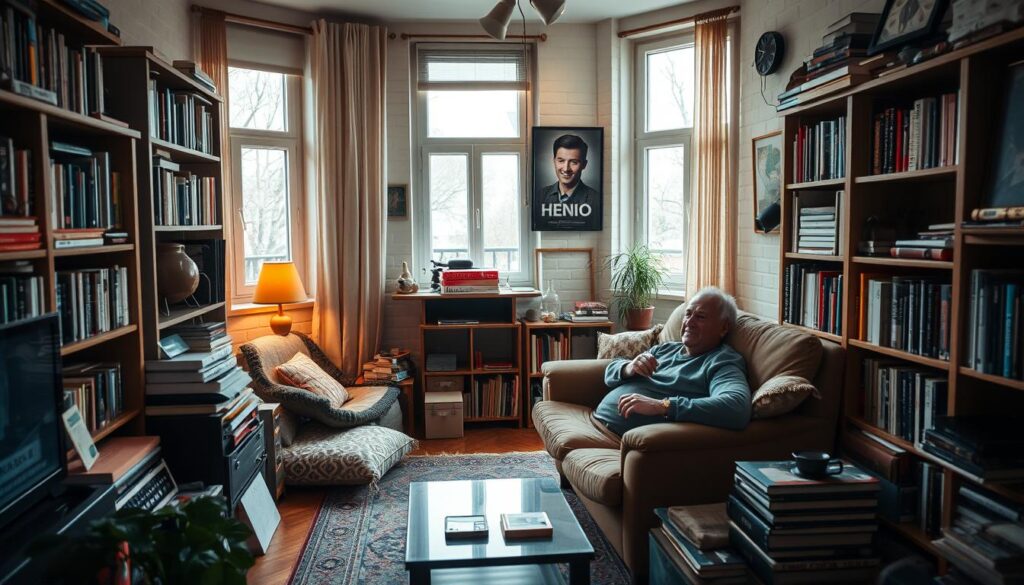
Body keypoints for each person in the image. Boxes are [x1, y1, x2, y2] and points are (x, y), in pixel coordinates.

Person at [592, 287, 751, 435]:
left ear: (723, 328)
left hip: (625, 439)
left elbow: (737, 408)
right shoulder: (666, 349)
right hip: (597, 422)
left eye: (700, 317)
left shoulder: (722, 361)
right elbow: (609, 374)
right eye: (688, 314)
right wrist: (628, 367)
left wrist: (663, 406)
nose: (689, 322)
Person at [538, 134, 600, 206]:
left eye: (574, 162)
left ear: (584, 165)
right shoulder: (540, 195)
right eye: (561, 161)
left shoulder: (596, 200)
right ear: (554, 161)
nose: (566, 169)